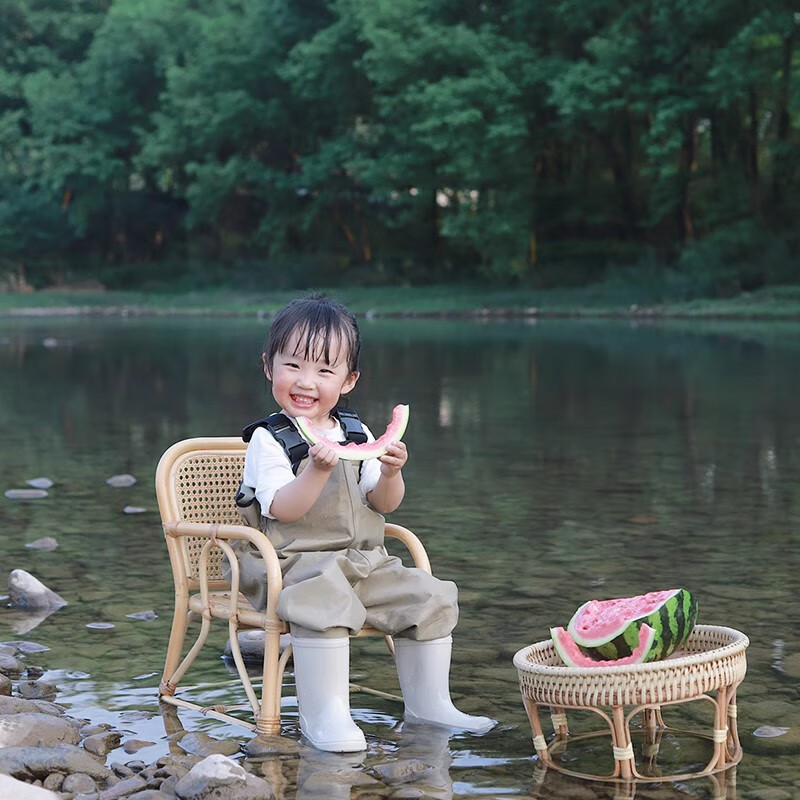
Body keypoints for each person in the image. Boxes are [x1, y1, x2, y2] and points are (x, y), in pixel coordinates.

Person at [230, 293, 495, 752]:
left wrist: (391, 472)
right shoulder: (268, 440)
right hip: (292, 566)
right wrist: (316, 469)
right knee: (323, 600)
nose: (305, 381)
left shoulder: (358, 433)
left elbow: (385, 503)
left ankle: (431, 705)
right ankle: (325, 714)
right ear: (269, 367)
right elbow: (284, 509)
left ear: (349, 380)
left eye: (324, 371)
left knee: (428, 596)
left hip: (365, 563)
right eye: (292, 365)